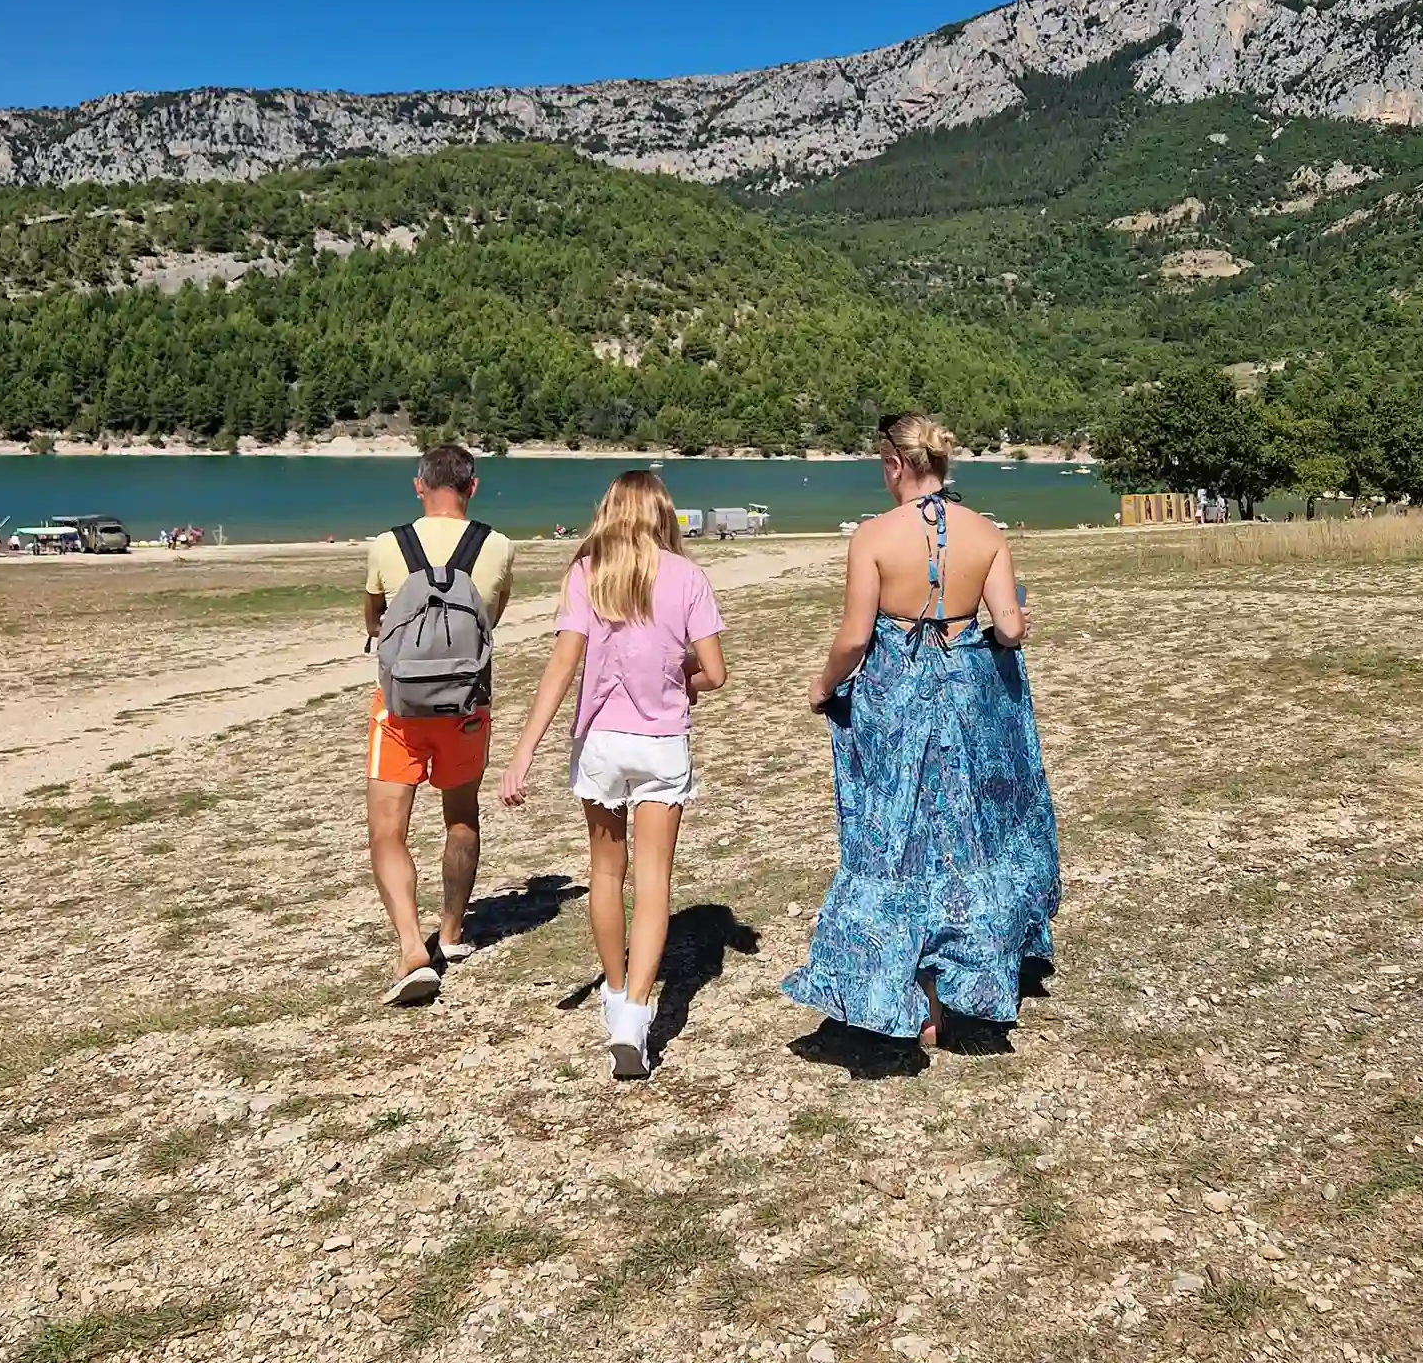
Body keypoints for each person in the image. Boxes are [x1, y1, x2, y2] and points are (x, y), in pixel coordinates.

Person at [782, 413, 1060, 1047]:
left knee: (895, 841)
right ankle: (965, 987)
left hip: (894, 709)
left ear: (895, 465)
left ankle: (909, 997)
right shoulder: (986, 533)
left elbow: (855, 637)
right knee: (968, 839)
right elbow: (1012, 629)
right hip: (969, 707)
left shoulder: (873, 538)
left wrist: (823, 686)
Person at [498, 471, 726, 1078]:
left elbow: (561, 666)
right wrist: (682, 681)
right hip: (661, 745)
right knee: (654, 882)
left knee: (605, 871)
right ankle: (635, 1016)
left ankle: (615, 991)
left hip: (600, 744)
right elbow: (715, 672)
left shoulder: (587, 574)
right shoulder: (689, 577)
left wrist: (521, 754)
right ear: (662, 514)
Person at [362, 443, 515, 1005]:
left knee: (387, 831)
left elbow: (376, 619)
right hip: (466, 707)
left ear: (417, 485)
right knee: (461, 817)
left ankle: (410, 947)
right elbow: (490, 618)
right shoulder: (495, 546)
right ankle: (451, 933)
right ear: (472, 488)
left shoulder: (387, 544)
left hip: (399, 708)